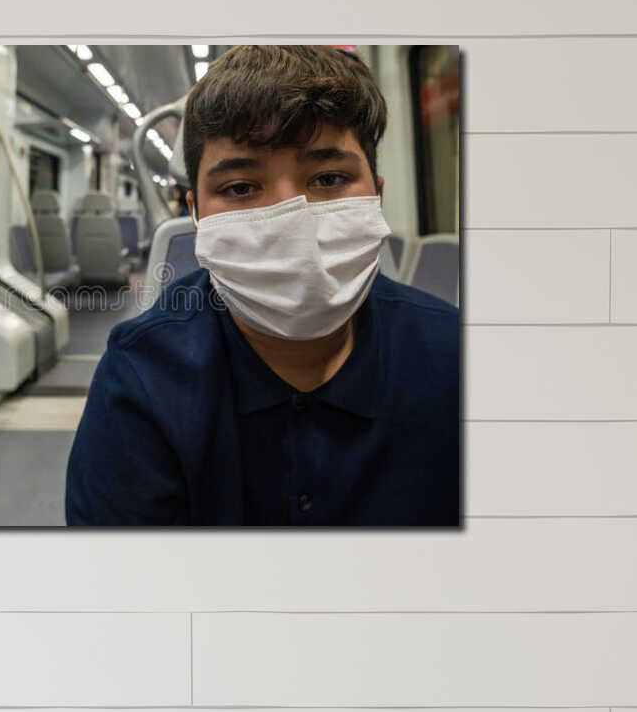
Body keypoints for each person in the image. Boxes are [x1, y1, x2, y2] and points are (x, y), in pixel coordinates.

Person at [64, 45, 460, 527]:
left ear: (376, 195)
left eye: (330, 178)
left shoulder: (456, 357)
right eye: (240, 188)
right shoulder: (141, 379)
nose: (290, 219)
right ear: (195, 214)